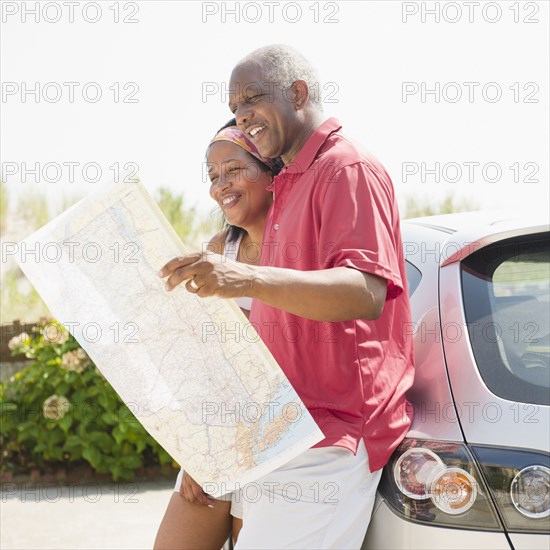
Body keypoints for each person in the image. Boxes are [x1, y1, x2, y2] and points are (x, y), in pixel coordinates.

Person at [159, 44, 415, 549]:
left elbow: (365, 292)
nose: (243, 115)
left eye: (252, 99)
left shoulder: (347, 168)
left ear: (298, 93)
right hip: (279, 429)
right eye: (234, 108)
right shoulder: (290, 186)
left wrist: (244, 279)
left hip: (333, 433)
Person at [154, 120, 281, 550]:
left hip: (280, 446)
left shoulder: (301, 250)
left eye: (233, 169)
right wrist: (198, 451)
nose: (220, 185)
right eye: (212, 176)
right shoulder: (216, 250)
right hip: (222, 437)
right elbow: (208, 361)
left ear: (269, 172)